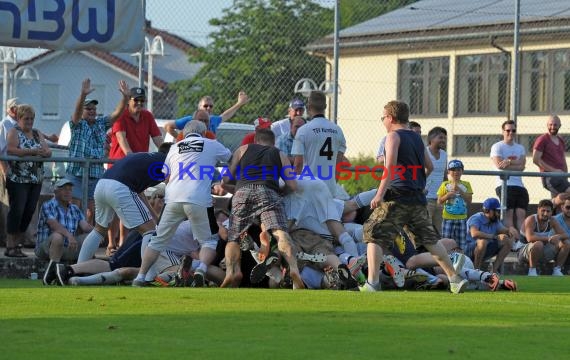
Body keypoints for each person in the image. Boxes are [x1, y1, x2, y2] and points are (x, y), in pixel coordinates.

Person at [362, 100, 467, 293]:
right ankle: (454, 278)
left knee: (373, 233)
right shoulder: (417, 138)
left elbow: (389, 168)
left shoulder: (392, 137)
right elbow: (431, 167)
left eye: (383, 117)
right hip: (417, 199)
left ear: (391, 118)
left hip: (397, 199)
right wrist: (417, 182)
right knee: (431, 241)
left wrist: (379, 194)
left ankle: (372, 283)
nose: (383, 121)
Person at [133, 121, 231, 287]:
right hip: (199, 199)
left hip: (173, 198)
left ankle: (140, 277)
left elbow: (165, 176)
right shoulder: (211, 143)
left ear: (184, 134)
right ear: (204, 133)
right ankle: (201, 269)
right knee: (209, 241)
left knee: (157, 241)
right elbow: (231, 157)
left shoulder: (174, 147)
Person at [221, 128, 304, 289]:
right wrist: (279, 192)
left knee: (234, 238)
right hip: (269, 191)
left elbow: (225, 181)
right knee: (280, 233)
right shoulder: (279, 153)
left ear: (255, 140)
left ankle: (231, 272)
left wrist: (237, 188)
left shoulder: (243, 149)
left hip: (242, 191)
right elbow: (293, 185)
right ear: (273, 142)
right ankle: (294, 269)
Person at [77, 142, 173, 263]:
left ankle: (76, 268)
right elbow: (172, 186)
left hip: (102, 184)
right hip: (120, 187)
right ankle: (146, 274)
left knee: (99, 230)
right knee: (150, 231)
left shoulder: (147, 157)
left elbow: (139, 192)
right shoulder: (167, 161)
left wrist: (154, 215)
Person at [65, 78, 130, 225]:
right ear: (82, 111)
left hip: (94, 174)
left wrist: (125, 98)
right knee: (74, 208)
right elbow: (76, 113)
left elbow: (117, 114)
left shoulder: (101, 123)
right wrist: (82, 94)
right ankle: (71, 241)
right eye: (88, 109)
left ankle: (84, 241)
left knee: (90, 211)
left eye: (94, 109)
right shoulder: (77, 124)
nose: (92, 111)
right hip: (76, 174)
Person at [107, 87, 164, 250]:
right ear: (129, 101)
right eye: (135, 100)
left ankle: (122, 243)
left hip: (136, 168)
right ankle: (111, 244)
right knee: (116, 208)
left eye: (141, 101)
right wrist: (134, 160)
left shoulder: (147, 116)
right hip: (120, 167)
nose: (139, 103)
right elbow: (122, 141)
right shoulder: (121, 116)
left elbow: (158, 139)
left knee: (129, 205)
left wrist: (171, 154)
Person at [4, 104, 52, 257]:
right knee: (17, 211)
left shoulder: (37, 133)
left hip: (35, 179)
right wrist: (30, 152)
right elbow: (11, 150)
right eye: (26, 119)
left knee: (29, 211)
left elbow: (48, 151)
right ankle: (10, 245)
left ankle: (18, 244)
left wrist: (45, 152)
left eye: (32, 118)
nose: (29, 121)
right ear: (19, 118)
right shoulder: (14, 132)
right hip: (18, 179)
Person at [292, 90, 347, 199]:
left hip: (308, 186)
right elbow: (338, 164)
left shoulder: (303, 131)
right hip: (329, 187)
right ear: (325, 106)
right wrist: (333, 184)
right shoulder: (338, 130)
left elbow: (298, 164)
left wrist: (293, 188)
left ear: (308, 106)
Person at [36, 178, 93, 285]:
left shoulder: (75, 208)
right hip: (46, 248)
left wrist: (99, 231)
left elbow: (85, 227)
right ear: (55, 191)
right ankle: (52, 273)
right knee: (58, 236)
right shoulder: (48, 205)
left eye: (70, 190)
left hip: (68, 247)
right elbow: (53, 224)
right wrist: (70, 236)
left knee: (92, 237)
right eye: (64, 189)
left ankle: (82, 271)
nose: (67, 192)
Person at [491, 120, 528, 237]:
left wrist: (509, 161)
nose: (510, 133)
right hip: (505, 185)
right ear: (503, 131)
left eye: (513, 130)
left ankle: (521, 242)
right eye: (508, 130)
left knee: (521, 215)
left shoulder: (520, 148)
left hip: (519, 185)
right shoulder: (497, 146)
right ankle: (512, 241)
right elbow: (499, 165)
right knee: (509, 215)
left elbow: (522, 167)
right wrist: (515, 165)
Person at [164, 92, 250, 138]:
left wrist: (239, 103)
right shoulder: (190, 120)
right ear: (199, 107)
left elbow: (225, 115)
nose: (208, 108)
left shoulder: (213, 120)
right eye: (205, 106)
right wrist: (181, 140)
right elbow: (168, 126)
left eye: (211, 106)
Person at [464, 198, 517, 273]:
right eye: (496, 211)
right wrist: (495, 237)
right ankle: (476, 272)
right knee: (482, 242)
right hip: (468, 250)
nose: (498, 213)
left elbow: (504, 230)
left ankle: (493, 271)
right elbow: (474, 233)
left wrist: (510, 230)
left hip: (484, 248)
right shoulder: (476, 218)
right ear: (488, 210)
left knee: (507, 240)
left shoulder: (494, 220)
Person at [519, 199, 570, 276]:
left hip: (542, 250)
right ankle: (532, 270)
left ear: (551, 212)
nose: (545, 214)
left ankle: (557, 270)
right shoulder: (531, 219)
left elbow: (565, 235)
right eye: (543, 210)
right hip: (523, 253)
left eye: (548, 211)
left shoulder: (552, 220)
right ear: (538, 210)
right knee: (539, 244)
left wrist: (558, 237)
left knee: (566, 243)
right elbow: (530, 238)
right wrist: (549, 239)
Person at [437, 159, 473, 251]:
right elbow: (439, 201)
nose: (456, 172)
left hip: (462, 219)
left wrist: (460, 190)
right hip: (448, 218)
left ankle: (460, 263)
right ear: (449, 171)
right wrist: (448, 195)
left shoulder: (466, 184)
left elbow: (469, 201)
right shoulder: (445, 185)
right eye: (453, 170)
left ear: (462, 171)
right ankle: (446, 263)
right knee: (446, 243)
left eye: (458, 169)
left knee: (461, 244)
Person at [532, 115, 570, 197]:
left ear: (560, 126)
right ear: (547, 125)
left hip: (561, 177)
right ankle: (553, 203)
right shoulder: (542, 139)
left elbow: (562, 159)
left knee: (562, 203)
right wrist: (554, 171)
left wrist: (565, 175)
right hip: (550, 177)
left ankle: (553, 204)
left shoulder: (561, 140)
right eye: (550, 125)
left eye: (555, 125)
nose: (552, 127)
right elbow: (536, 159)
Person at [425, 126, 447, 234]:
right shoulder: (424, 152)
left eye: (444, 138)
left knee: (439, 231)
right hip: (426, 198)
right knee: (426, 230)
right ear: (431, 139)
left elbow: (445, 175)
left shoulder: (444, 154)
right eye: (440, 137)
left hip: (440, 199)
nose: (443, 140)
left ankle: (439, 251)